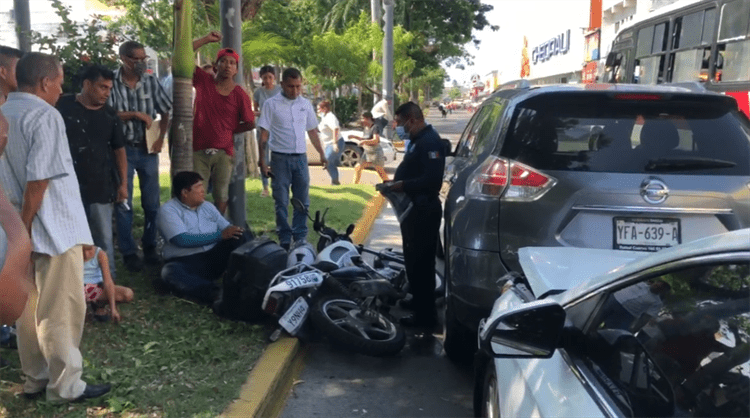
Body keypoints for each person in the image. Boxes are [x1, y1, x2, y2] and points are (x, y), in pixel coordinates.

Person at [0, 52, 110, 402]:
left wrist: (18, 231)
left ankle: (36, 378)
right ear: (46, 82)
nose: (61, 91)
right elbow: (39, 180)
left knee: (29, 308)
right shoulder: (45, 115)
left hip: (17, 228)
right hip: (51, 228)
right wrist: (28, 227)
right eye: (60, 83)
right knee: (60, 308)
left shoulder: (4, 113)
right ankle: (64, 386)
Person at [57, 65, 127, 281]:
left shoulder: (110, 114)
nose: (106, 92)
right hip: (65, 186)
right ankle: (73, 282)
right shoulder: (62, 106)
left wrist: (123, 183)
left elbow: (119, 150)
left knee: (103, 237)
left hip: (100, 185)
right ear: (87, 84)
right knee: (69, 237)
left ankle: (109, 282)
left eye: (109, 88)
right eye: (102, 87)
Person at [379, 102, 445, 330]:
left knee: (422, 265)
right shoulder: (418, 140)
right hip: (414, 210)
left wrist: (403, 184)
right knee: (412, 262)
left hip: (424, 210)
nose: (399, 128)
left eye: (401, 123)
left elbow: (433, 180)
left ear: (413, 120)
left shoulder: (430, 142)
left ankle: (425, 319)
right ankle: (418, 303)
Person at [108, 40, 172, 272]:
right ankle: (128, 252)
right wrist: (135, 114)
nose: (141, 63)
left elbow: (166, 111)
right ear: (124, 59)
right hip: (121, 149)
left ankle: (150, 246)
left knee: (152, 203)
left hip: (147, 150)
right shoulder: (111, 82)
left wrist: (160, 137)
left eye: (144, 59)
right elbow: (108, 113)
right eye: (136, 59)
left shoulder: (151, 81)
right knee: (123, 202)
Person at [257, 68, 326, 251]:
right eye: (290, 87)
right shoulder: (271, 105)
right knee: (281, 200)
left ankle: (300, 236)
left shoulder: (305, 104)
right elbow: (263, 135)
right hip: (279, 158)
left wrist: (322, 154)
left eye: (298, 87)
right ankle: (285, 237)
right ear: (282, 85)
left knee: (302, 200)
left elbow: (312, 131)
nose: (295, 91)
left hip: (301, 159)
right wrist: (262, 161)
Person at [157, 171, 247, 303]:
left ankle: (251, 278)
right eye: (198, 187)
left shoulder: (207, 206)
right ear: (184, 193)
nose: (203, 191)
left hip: (213, 257)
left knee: (239, 235)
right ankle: (216, 294)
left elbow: (227, 229)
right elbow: (181, 240)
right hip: (186, 262)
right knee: (169, 272)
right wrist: (219, 236)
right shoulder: (168, 210)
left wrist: (233, 231)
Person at [191, 32, 255, 215]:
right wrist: (205, 39)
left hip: (223, 153)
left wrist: (230, 129)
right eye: (224, 61)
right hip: (198, 150)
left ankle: (219, 229)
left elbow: (250, 123)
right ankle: (198, 227)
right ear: (215, 66)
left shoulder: (239, 94)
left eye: (232, 63)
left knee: (221, 194)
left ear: (236, 70)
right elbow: (183, 56)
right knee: (196, 194)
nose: (228, 66)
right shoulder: (203, 81)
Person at [82, 244, 134, 323]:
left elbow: (108, 282)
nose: (87, 254)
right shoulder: (73, 255)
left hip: (97, 288)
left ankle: (98, 304)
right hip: (81, 289)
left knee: (128, 294)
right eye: (84, 251)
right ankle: (88, 308)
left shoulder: (100, 253)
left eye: (90, 251)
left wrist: (113, 309)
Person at [253, 65, 281, 197]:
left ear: (274, 77)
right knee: (263, 157)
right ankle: (265, 187)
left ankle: (277, 184)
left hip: (277, 128)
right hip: (263, 128)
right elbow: (256, 110)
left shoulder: (280, 91)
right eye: (265, 78)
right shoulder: (258, 92)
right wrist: (262, 113)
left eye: (270, 77)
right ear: (261, 78)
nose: (268, 80)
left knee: (276, 157)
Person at [602, 280, 671, 331]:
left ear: (662, 292)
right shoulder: (640, 283)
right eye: (657, 285)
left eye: (660, 288)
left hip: (627, 314)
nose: (656, 287)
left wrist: (634, 329)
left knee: (611, 332)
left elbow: (646, 317)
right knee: (595, 318)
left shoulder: (657, 303)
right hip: (614, 300)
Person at [350, 111, 389, 184]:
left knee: (380, 172)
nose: (361, 120)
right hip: (367, 152)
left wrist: (364, 142)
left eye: (363, 118)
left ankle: (389, 186)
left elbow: (376, 140)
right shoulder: (366, 128)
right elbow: (365, 138)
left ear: (368, 118)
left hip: (376, 153)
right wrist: (355, 137)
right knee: (358, 168)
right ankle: (354, 186)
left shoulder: (375, 127)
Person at [317, 100, 345, 185]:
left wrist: (334, 143)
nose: (317, 111)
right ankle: (335, 180)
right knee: (328, 162)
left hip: (335, 143)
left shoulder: (330, 117)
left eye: (319, 109)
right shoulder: (324, 117)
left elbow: (335, 129)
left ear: (324, 109)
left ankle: (335, 182)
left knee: (328, 161)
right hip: (328, 144)